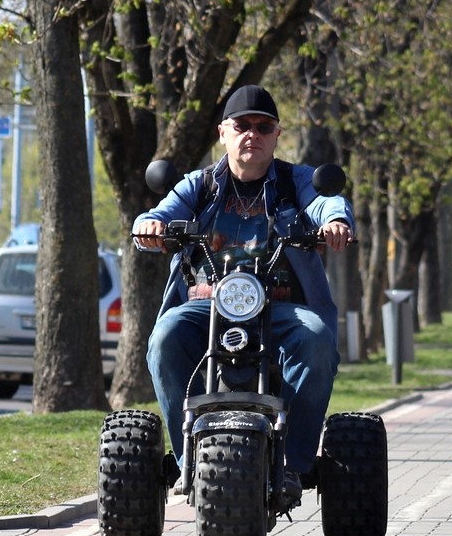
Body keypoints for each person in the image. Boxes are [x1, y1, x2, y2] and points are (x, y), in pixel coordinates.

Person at [133, 84, 355, 494]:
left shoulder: (296, 181)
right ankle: (191, 456)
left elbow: (327, 203)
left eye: (263, 126)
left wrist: (335, 223)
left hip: (282, 308)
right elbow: (160, 212)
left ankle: (294, 464)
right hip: (206, 307)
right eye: (242, 125)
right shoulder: (198, 186)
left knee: (318, 340)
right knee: (164, 337)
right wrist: (150, 226)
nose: (252, 133)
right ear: (223, 133)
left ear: (276, 134)